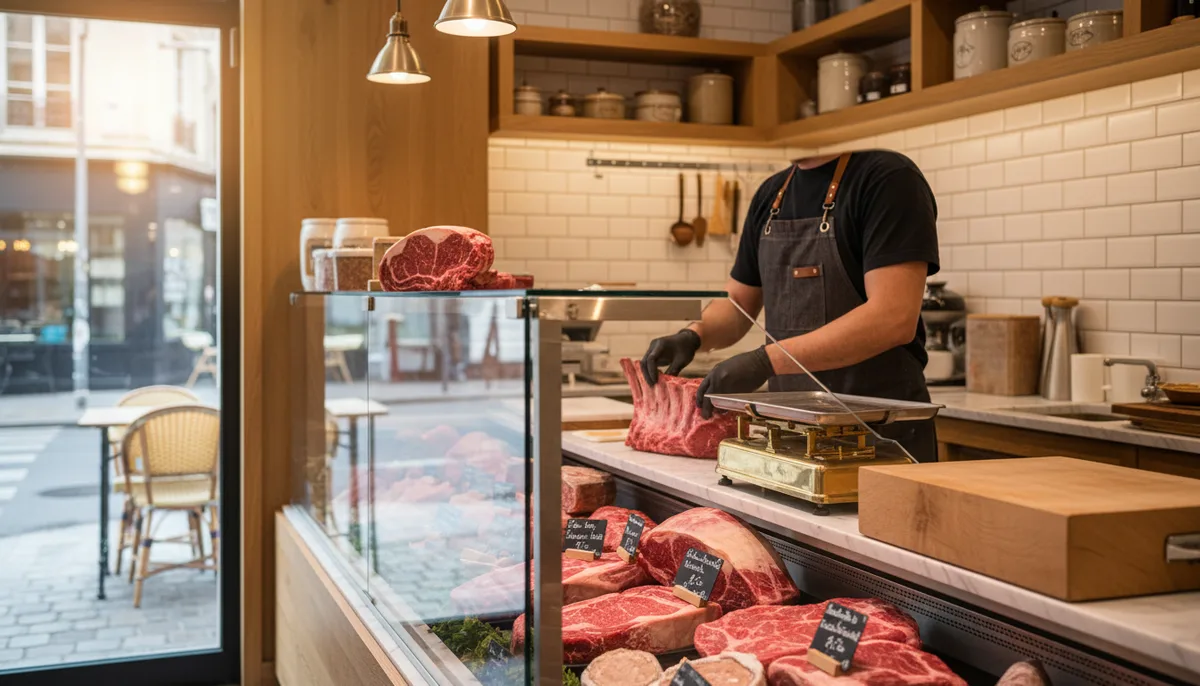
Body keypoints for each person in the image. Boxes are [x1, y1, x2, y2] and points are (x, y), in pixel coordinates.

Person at [640, 151, 940, 461]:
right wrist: (693, 335)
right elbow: (738, 304)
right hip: (790, 434)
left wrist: (765, 362)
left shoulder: (888, 179)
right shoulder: (772, 195)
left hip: (881, 436)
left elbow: (892, 317)